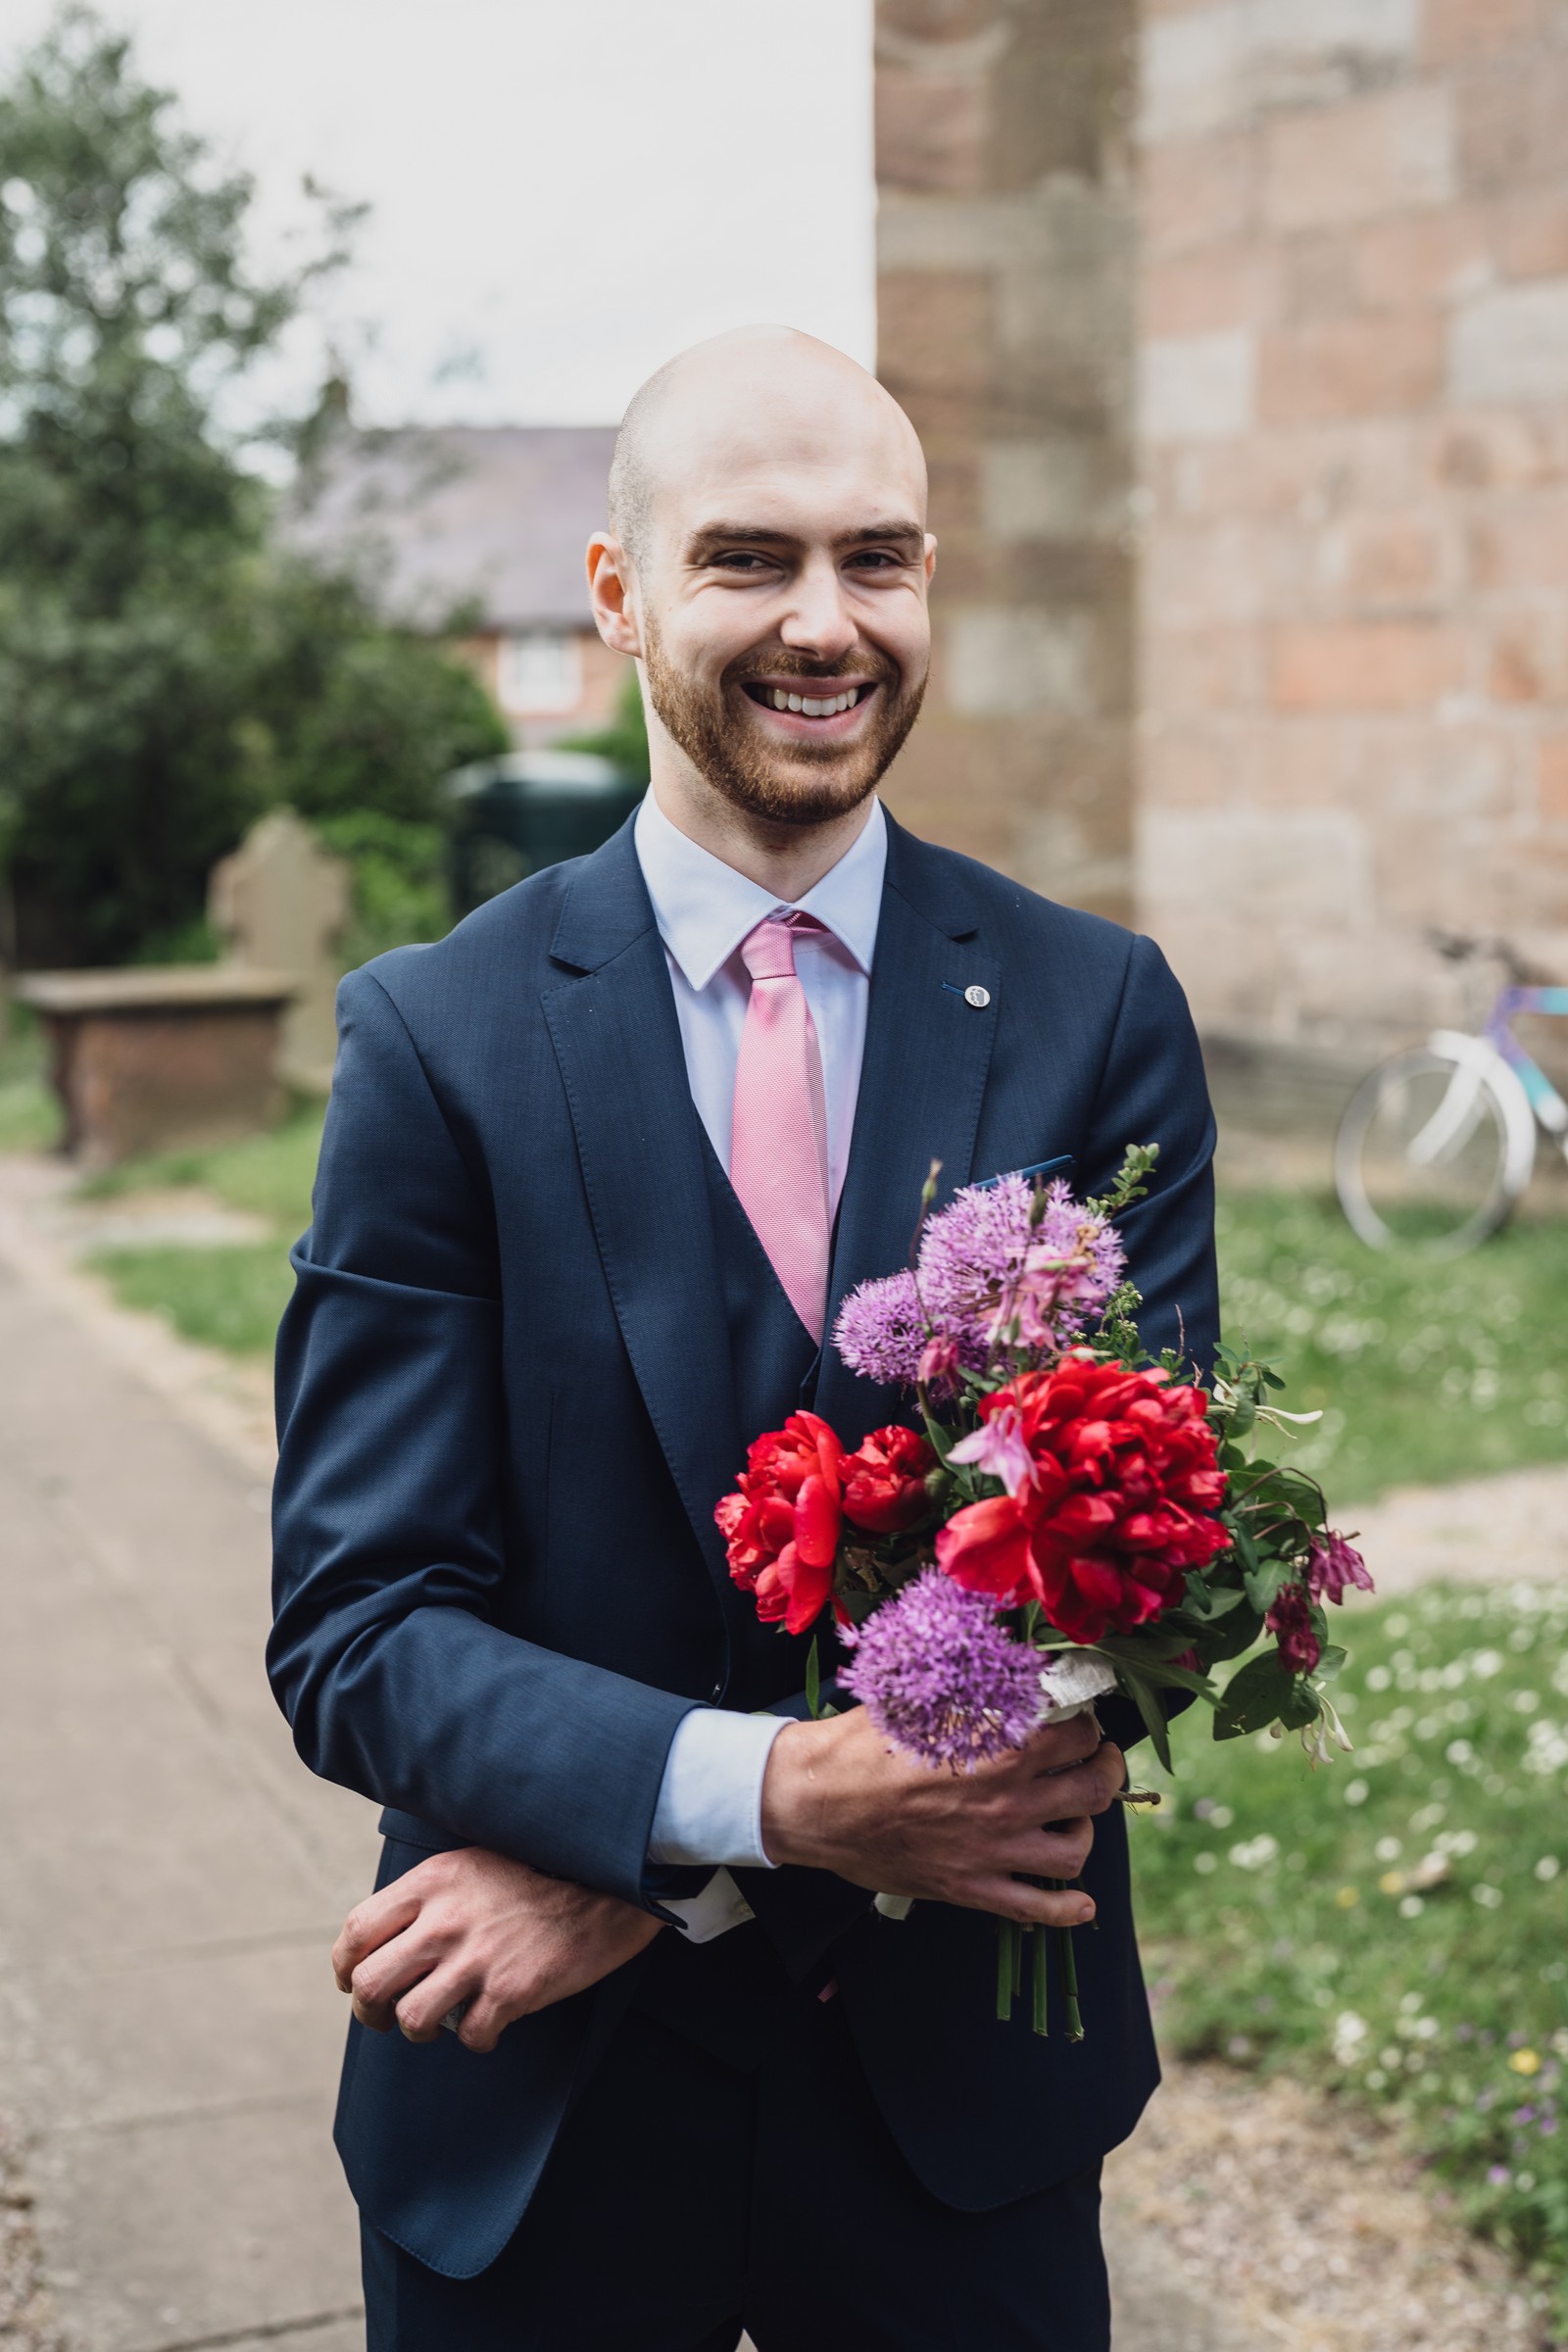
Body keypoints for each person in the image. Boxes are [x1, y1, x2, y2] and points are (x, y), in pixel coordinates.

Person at [269, 325, 1219, 2352]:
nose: (825, 623)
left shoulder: (1092, 1008)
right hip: (534, 2113)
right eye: (748, 560)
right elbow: (360, 1626)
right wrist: (773, 1801)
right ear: (615, 596)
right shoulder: (433, 1045)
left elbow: (1153, 1572)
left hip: (952, 2110)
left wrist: (664, 1864)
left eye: (876, 559)